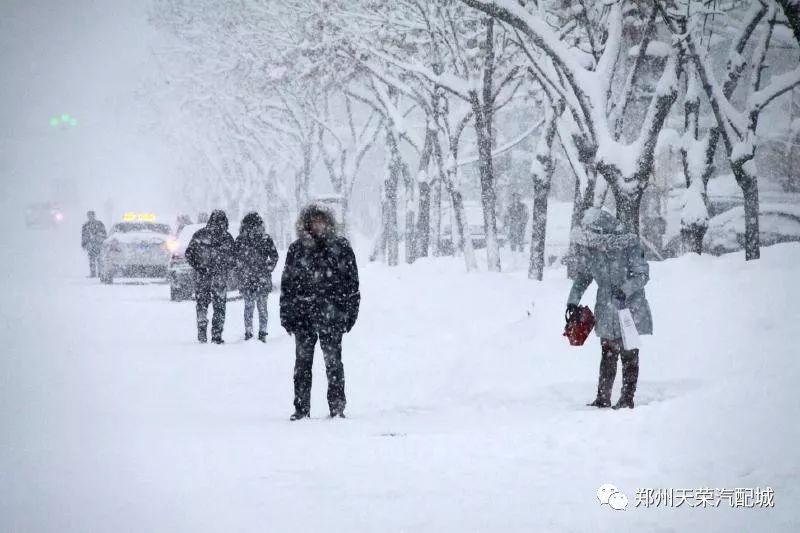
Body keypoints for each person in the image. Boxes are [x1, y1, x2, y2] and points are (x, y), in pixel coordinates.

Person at [566, 207, 652, 409]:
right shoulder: (593, 250)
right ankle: (603, 397)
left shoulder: (629, 246)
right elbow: (584, 277)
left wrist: (625, 289)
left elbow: (642, 274)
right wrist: (572, 301)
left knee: (629, 353)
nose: (594, 244)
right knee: (608, 352)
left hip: (629, 306)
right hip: (606, 305)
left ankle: (627, 398)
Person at [280, 204, 360, 420]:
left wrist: (350, 314)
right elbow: (287, 285)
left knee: (334, 364)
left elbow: (352, 285)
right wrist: (286, 315)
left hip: (332, 316)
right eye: (313, 221)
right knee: (302, 366)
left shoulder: (341, 248)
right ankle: (301, 408)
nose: (317, 225)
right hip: (303, 317)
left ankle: (337, 407)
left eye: (321, 221)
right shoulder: (297, 250)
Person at [185, 210, 235, 344]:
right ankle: (216, 336)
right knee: (219, 307)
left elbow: (189, 254)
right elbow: (233, 258)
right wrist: (225, 268)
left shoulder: (200, 235)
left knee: (202, 305)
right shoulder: (227, 237)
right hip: (218, 277)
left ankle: (202, 333)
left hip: (202, 277)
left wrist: (199, 266)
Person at [235, 212, 279, 342]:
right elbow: (274, 256)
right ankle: (262, 332)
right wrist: (268, 268)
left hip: (247, 277)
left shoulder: (240, 239)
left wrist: (241, 270)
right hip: (262, 278)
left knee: (248, 307)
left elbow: (235, 259)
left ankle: (249, 332)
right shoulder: (265, 238)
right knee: (262, 307)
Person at [81, 211, 107, 277]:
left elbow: (104, 234)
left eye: (91, 215)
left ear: (94, 215)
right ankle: (93, 273)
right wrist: (84, 244)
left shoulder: (99, 224)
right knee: (91, 259)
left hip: (99, 244)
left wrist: (100, 238)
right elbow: (83, 236)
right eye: (89, 215)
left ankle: (100, 273)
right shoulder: (85, 225)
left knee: (100, 259)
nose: (90, 217)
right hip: (90, 245)